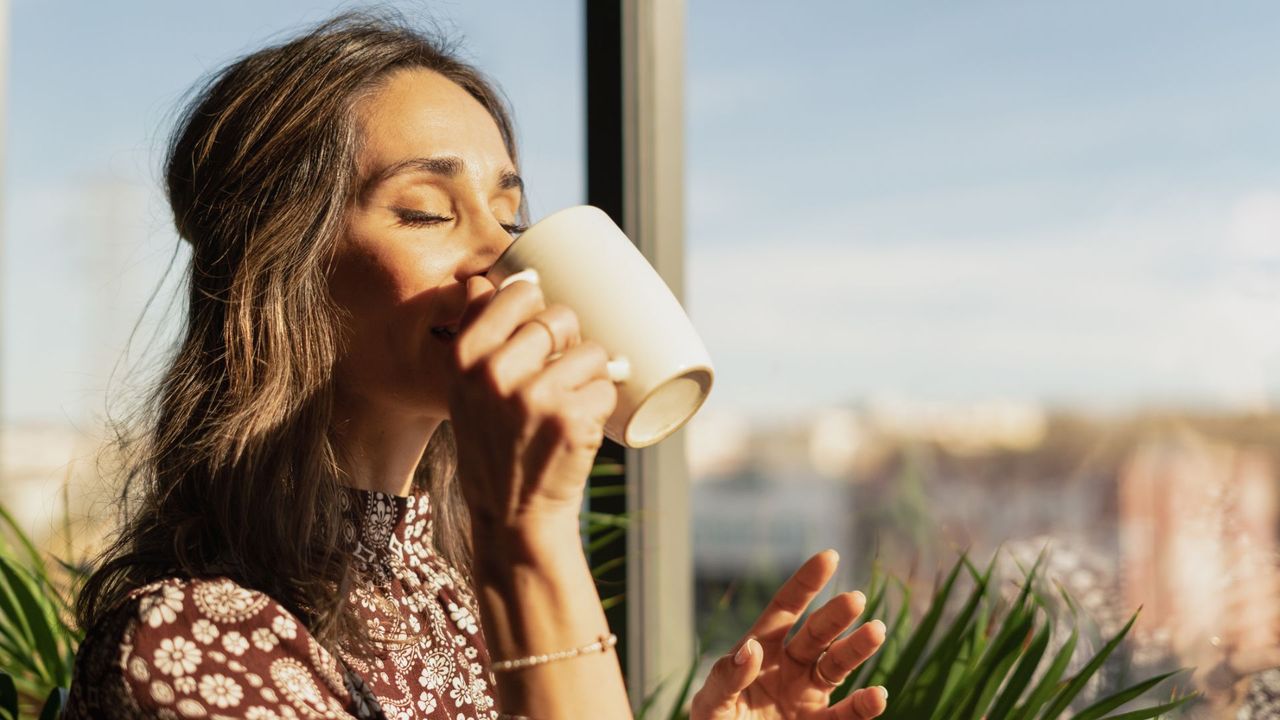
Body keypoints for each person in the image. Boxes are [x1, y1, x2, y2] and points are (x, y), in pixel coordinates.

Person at [62, 11, 889, 720]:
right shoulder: (188, 643)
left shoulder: (456, 591)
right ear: (282, 270)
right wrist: (528, 535)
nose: (502, 255)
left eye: (508, 209)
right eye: (426, 211)